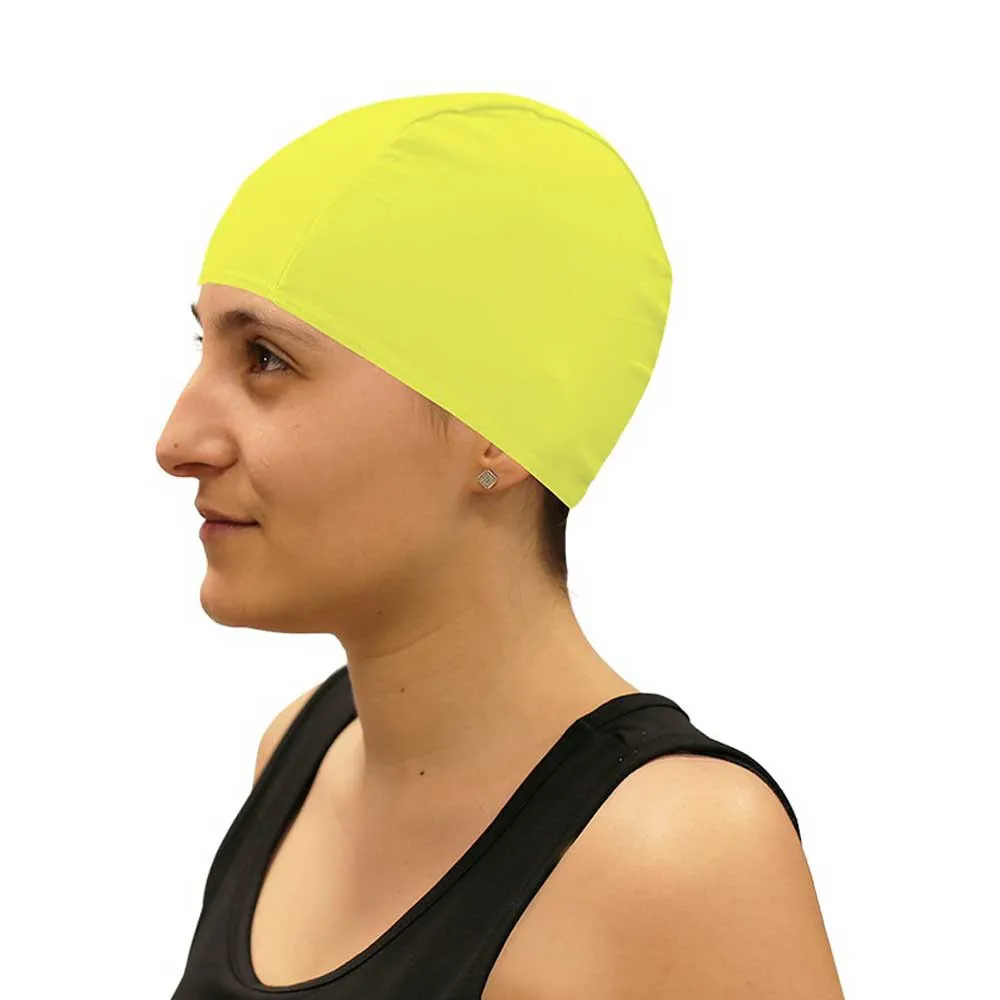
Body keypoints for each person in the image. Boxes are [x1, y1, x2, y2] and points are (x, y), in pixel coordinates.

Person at [158, 92, 843, 999]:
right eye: (202, 345)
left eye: (266, 360)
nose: (176, 440)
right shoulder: (300, 754)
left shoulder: (683, 854)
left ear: (500, 431)